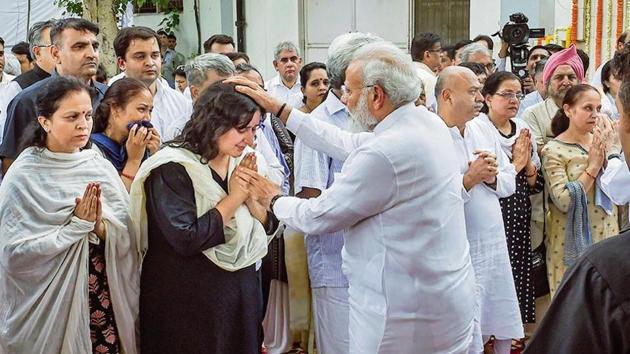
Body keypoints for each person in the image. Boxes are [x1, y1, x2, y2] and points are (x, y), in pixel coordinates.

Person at [232, 41, 479, 353]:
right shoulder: (425, 122)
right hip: (442, 301)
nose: (343, 99)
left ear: (376, 96)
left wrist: (273, 197)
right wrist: (279, 108)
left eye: (348, 91)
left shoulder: (385, 151)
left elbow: (318, 215)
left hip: (400, 316)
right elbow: (344, 141)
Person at [130, 82, 278, 354]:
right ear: (214, 123)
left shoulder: (246, 160)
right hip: (187, 296)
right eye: (242, 129)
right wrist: (235, 197)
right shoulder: (173, 167)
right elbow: (186, 238)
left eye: (254, 129)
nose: (250, 139)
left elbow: (266, 226)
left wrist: (253, 203)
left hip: (240, 291)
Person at [0, 76, 139, 353]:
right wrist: (74, 228)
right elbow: (13, 254)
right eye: (72, 116)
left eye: (87, 115)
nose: (83, 124)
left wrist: (99, 227)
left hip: (98, 294)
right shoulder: (24, 173)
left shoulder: (97, 164)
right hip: (46, 302)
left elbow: (127, 233)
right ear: (45, 121)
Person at [293, 33, 381, 354]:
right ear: (348, 76)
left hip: (377, 263)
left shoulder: (375, 119)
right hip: (335, 263)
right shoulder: (317, 125)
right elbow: (310, 197)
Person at [436, 66, 523, 354]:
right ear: (447, 96)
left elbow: (509, 181)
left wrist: (491, 177)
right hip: (460, 249)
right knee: (466, 326)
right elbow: (431, 200)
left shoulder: (481, 129)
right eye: (472, 91)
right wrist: (470, 179)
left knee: (500, 319)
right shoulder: (431, 137)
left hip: (492, 243)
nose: (478, 98)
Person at [480, 71, 544, 345]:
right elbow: (488, 175)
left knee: (516, 273)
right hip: (491, 211)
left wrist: (527, 164)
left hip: (519, 213)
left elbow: (536, 183)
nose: (514, 100)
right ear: (488, 97)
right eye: (506, 94)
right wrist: (515, 164)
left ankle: (510, 338)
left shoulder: (523, 130)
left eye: (518, 94)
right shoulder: (479, 129)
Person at [0, 18, 107, 175]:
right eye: (79, 47)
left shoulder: (110, 96)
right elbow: (12, 166)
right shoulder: (28, 101)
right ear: (56, 53)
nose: (91, 54)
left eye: (95, 46)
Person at [541, 84, 619, 296]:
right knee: (573, 306)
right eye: (587, 108)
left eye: (598, 108)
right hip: (569, 240)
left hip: (607, 232)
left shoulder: (603, 141)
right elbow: (564, 201)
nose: (595, 114)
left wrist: (611, 151)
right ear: (568, 110)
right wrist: (592, 168)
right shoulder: (553, 150)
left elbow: (618, 188)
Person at [521, 46, 584, 299]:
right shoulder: (533, 114)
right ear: (546, 82)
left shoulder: (592, 110)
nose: (566, 82)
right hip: (546, 207)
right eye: (559, 77)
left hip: (587, 208)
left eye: (571, 77)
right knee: (549, 283)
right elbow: (540, 153)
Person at [110, 26, 192, 140]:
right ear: (121, 63)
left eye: (155, 55)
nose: (150, 62)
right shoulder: (108, 102)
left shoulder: (179, 102)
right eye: (140, 56)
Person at [91, 78, 160, 191]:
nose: (147, 118)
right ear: (115, 109)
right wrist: (133, 161)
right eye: (141, 109)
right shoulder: (93, 152)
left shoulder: (141, 148)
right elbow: (117, 203)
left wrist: (154, 156)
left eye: (150, 111)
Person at [0, 20, 55, 147]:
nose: (59, 51)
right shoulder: (17, 87)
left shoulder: (72, 83)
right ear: (37, 52)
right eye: (53, 46)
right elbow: (7, 139)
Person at [265, 41, 303, 108]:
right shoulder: (267, 89)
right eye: (284, 60)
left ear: (299, 62)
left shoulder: (308, 86)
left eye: (293, 59)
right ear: (276, 65)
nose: (289, 64)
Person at [411, 32, 441, 108]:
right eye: (438, 50)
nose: (441, 54)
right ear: (427, 54)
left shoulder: (405, 73)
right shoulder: (429, 79)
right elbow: (432, 109)